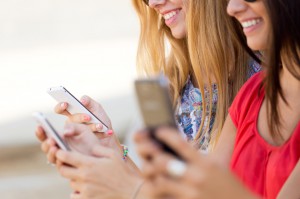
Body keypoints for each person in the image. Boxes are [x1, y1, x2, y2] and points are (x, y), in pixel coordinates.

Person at [35, 0, 260, 198]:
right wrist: (109, 146)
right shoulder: (171, 79)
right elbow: (158, 189)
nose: (153, 3)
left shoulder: (263, 80)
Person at [135, 0, 300, 198]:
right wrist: (118, 158)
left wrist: (130, 187)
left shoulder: (255, 76)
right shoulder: (251, 94)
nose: (154, 3)